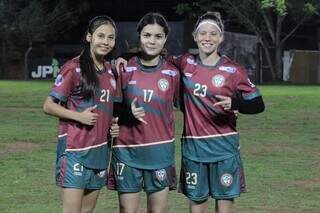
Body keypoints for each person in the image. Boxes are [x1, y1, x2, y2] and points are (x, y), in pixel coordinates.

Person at [170, 12, 265, 213]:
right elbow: (156, 61)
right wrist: (125, 60)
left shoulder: (233, 70)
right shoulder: (185, 62)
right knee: (197, 207)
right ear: (195, 36)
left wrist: (236, 103)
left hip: (224, 149)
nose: (208, 38)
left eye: (213, 34)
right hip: (194, 150)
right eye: (203, 33)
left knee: (224, 208)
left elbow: (258, 104)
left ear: (221, 38)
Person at [43, 16, 121, 213]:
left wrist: (111, 124)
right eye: (100, 36)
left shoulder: (111, 72)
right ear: (89, 37)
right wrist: (79, 116)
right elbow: (48, 106)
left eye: (110, 38)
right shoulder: (73, 68)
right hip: (75, 151)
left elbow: (105, 107)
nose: (105, 41)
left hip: (100, 152)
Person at [107, 12, 180, 213]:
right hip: (126, 150)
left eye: (158, 36)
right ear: (139, 36)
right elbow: (111, 106)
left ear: (165, 39)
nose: (152, 41)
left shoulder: (173, 72)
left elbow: (190, 103)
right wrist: (127, 114)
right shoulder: (123, 68)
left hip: (160, 152)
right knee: (127, 209)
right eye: (147, 35)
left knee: (158, 210)